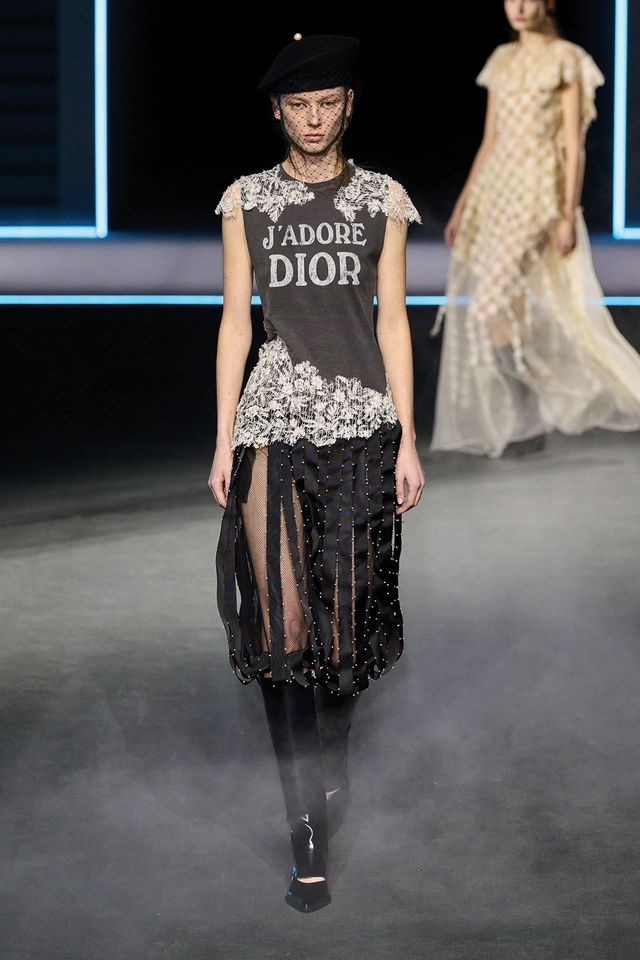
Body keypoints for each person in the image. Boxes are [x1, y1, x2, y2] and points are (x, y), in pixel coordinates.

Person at [208, 33, 425, 912]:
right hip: (272, 426)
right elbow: (236, 320)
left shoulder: (382, 199)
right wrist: (222, 438)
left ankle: (330, 759)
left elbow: (394, 319)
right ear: (277, 111)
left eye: (326, 103)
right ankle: (307, 831)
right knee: (283, 631)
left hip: (363, 429)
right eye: (297, 105)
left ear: (347, 105)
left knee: (343, 637)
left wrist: (409, 439)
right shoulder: (247, 200)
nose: (312, 118)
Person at [430, 0, 640, 458]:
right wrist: (463, 204)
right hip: (497, 189)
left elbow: (574, 144)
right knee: (505, 305)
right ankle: (527, 422)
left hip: (539, 191)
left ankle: (534, 404)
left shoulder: (566, 58)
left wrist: (567, 214)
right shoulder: (502, 60)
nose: (520, 7)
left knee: (489, 302)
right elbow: (490, 139)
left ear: (548, 2)